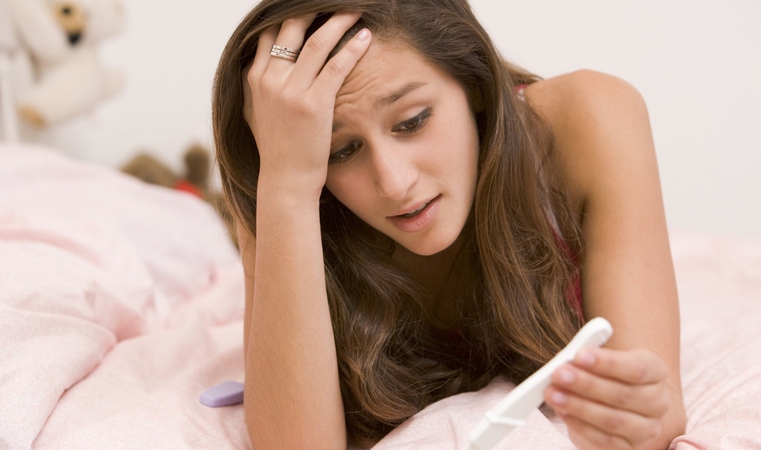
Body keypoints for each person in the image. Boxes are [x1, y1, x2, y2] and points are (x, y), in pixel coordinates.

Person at [212, 0, 687, 448]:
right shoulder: (289, 188)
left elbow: (658, 411)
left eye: (413, 121)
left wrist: (637, 418)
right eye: (340, 151)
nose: (395, 183)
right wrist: (287, 185)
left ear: (475, 82)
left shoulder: (586, 119)